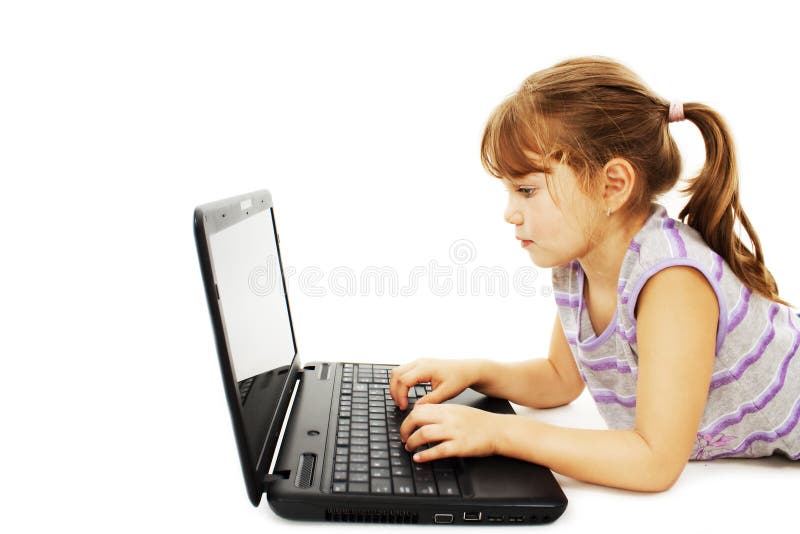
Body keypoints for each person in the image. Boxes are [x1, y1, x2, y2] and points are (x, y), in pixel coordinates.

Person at [388, 56, 800, 493]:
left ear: (612, 185)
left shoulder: (671, 282)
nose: (510, 213)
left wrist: (499, 433)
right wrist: (476, 372)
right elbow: (559, 378)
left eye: (527, 190)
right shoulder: (575, 265)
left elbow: (654, 462)